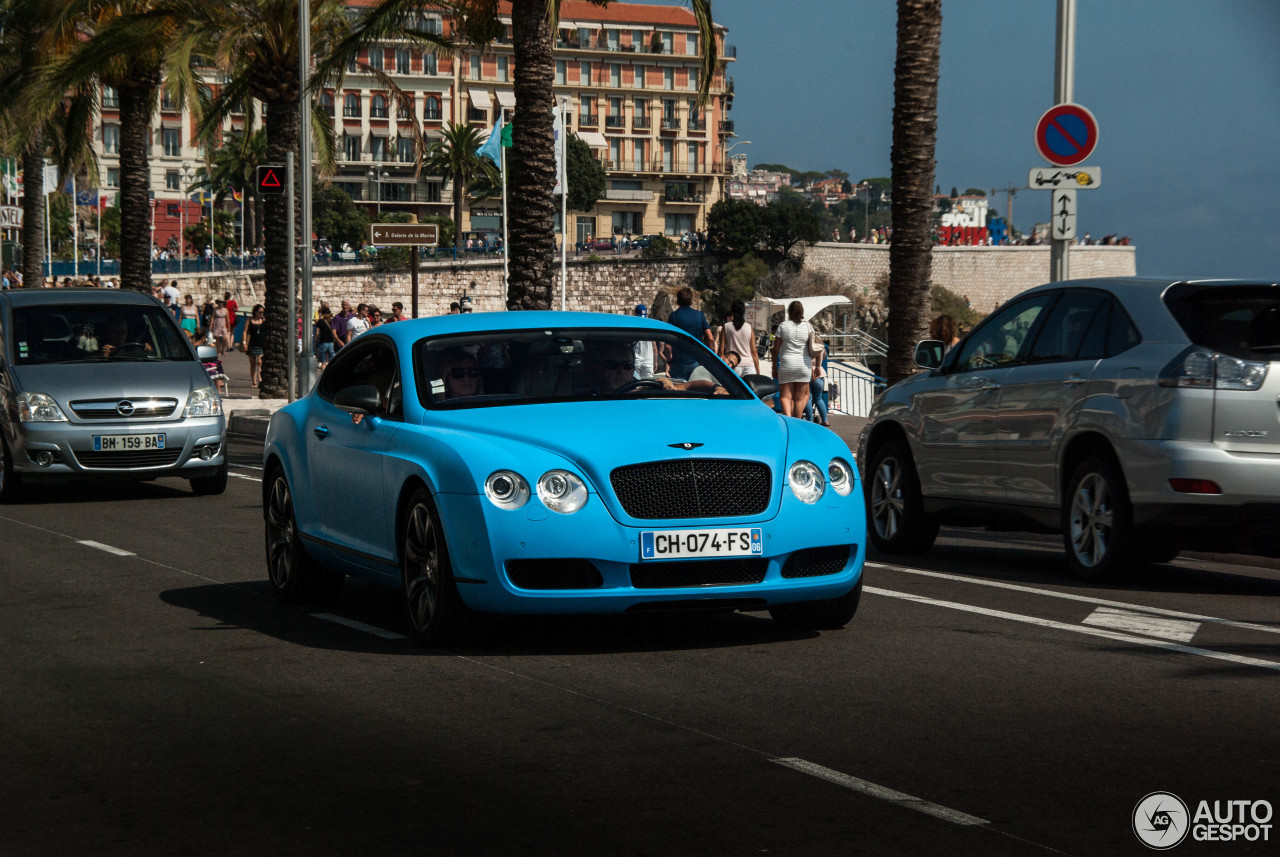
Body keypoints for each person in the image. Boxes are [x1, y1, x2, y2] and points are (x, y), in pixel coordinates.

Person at [771, 300, 819, 418]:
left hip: (787, 364)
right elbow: (815, 346)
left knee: (785, 396)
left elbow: (776, 349)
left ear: (789, 312)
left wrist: (774, 366)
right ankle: (797, 422)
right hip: (804, 365)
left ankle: (788, 421)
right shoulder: (808, 326)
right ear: (802, 312)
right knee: (799, 398)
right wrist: (815, 366)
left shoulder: (783, 326)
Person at [665, 286, 714, 381]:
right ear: (691, 301)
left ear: (678, 301)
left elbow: (668, 345)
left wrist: (669, 360)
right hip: (695, 360)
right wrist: (704, 355)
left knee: (679, 391)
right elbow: (710, 339)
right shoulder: (699, 315)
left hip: (678, 362)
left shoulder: (674, 316)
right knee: (695, 390)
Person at [719, 300, 761, 378]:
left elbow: (721, 350)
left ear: (732, 311)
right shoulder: (749, 327)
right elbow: (754, 351)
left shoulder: (726, 326)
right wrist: (758, 371)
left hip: (733, 364)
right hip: (749, 366)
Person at [240, 304, 266, 388]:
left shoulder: (264, 320)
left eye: (263, 312)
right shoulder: (249, 320)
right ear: (255, 312)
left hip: (261, 344)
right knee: (252, 363)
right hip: (252, 344)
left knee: (260, 362)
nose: (261, 313)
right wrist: (244, 343)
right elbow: (245, 331)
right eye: (260, 312)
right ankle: (254, 382)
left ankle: (260, 379)